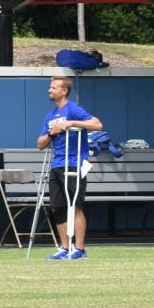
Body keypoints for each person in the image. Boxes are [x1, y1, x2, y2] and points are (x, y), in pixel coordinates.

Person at [38, 76, 103, 260]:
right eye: (50, 87)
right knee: (57, 207)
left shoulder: (73, 109)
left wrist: (72, 123)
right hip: (56, 164)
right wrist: (52, 132)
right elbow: (40, 144)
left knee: (75, 206)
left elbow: (97, 124)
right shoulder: (50, 115)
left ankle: (80, 249)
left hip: (74, 163)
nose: (49, 90)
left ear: (64, 91)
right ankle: (65, 248)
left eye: (54, 87)